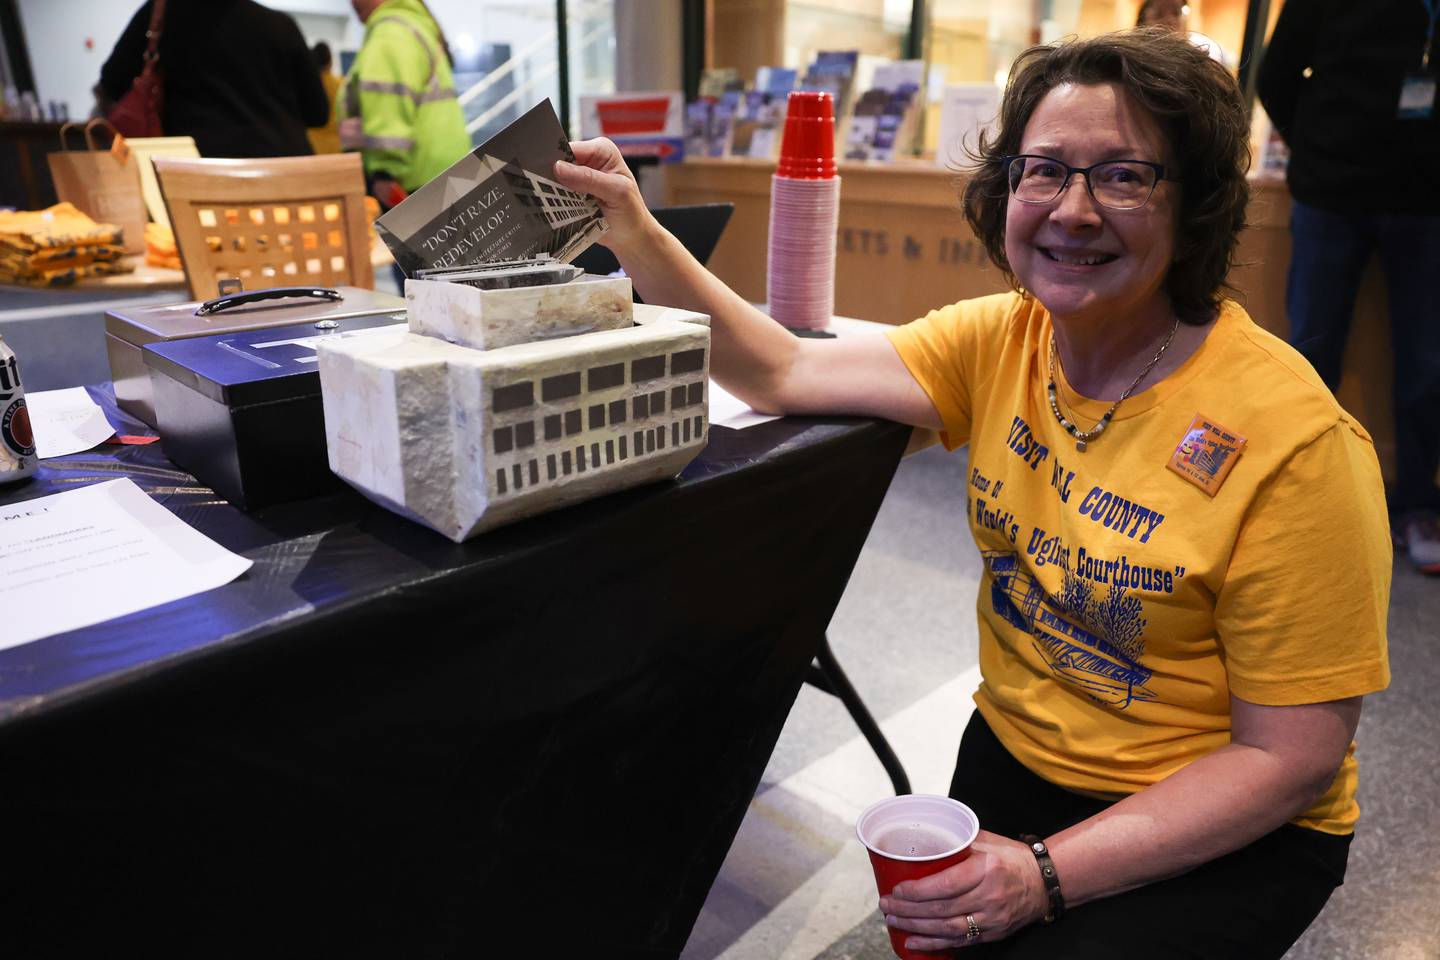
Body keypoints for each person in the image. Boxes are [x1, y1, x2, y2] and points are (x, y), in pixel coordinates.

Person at [552, 29, 1391, 958]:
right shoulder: (1003, 340)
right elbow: (782, 370)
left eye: (1123, 176)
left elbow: (1291, 759)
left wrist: (1042, 875)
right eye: (1043, 171)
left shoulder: (1298, 445)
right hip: (1021, 751)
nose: (1072, 210)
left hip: (1230, 820)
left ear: (1195, 208)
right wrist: (634, 228)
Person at [1259, 0, 1440, 575]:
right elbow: (1276, 74)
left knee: (1428, 366)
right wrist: (1317, 148)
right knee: (1310, 359)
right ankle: (1301, 501)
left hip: (1430, 202)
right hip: (1332, 194)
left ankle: (1417, 506)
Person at [97, 0, 328, 158]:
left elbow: (111, 84)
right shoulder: (280, 26)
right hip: (287, 177)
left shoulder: (162, 15)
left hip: (196, 178)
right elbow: (318, 113)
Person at [339, 0, 470, 210]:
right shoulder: (413, 25)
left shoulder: (390, 34)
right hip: (442, 176)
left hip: (410, 185)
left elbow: (388, 108)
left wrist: (383, 173)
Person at [1136, 0, 1231, 66]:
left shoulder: (1201, 56)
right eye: (1159, 14)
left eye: (1176, 13)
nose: (1169, 21)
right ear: (1142, 22)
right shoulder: (1131, 62)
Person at [307, 42, 343, 155]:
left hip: (312, 148)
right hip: (338, 148)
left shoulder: (306, 87)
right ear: (330, 62)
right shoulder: (342, 85)